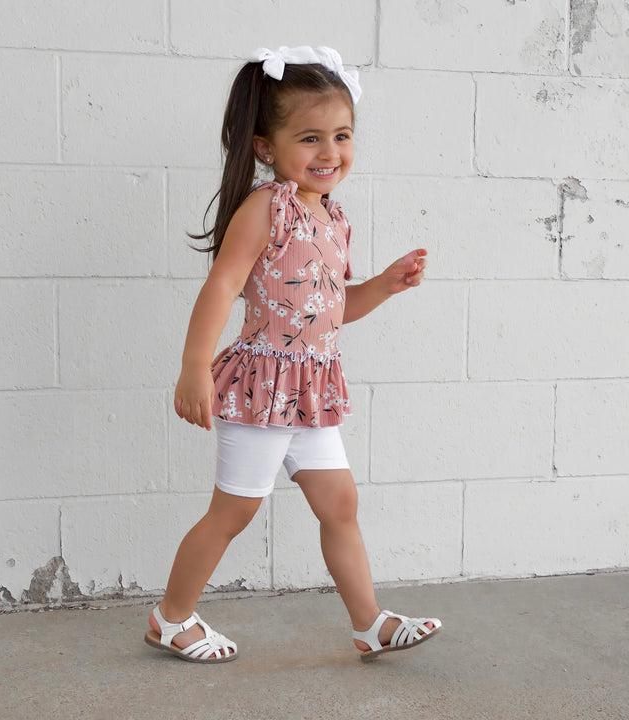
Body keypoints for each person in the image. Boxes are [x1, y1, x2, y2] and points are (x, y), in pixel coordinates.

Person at [145, 45, 441, 664]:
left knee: (340, 504)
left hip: (311, 392)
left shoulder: (333, 217)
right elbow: (221, 285)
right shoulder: (266, 207)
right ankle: (170, 618)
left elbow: (329, 313)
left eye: (341, 135)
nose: (330, 152)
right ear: (265, 147)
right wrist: (194, 368)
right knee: (234, 511)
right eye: (310, 137)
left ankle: (370, 623)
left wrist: (382, 286)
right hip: (262, 387)